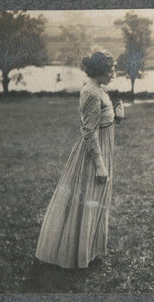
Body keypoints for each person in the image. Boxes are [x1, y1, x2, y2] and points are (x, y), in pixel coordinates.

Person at [35, 51, 123, 269]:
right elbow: (88, 132)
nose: (113, 75)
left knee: (96, 201)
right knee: (86, 200)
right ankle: (74, 254)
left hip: (103, 150)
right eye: (110, 71)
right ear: (99, 71)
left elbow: (103, 122)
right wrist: (100, 165)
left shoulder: (100, 90)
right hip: (92, 156)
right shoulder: (91, 93)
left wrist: (117, 116)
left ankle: (90, 250)